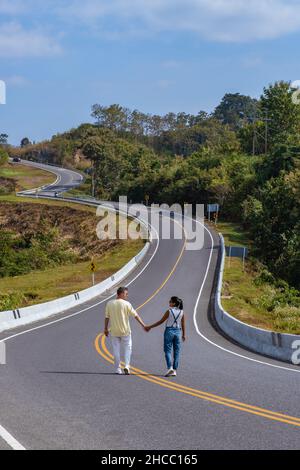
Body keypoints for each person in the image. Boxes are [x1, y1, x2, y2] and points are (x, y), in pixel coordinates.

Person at [104, 286, 146, 375]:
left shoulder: (109, 303)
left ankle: (118, 369)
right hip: (125, 331)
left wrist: (105, 329)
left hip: (114, 331)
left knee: (116, 350)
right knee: (128, 348)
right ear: (121, 293)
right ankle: (127, 366)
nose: (127, 295)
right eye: (126, 294)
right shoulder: (127, 304)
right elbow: (135, 315)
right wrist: (143, 325)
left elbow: (107, 317)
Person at [145, 296, 186, 377]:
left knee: (167, 350)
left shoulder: (169, 311)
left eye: (170, 301)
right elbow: (183, 323)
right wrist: (184, 334)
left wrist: (150, 326)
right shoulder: (182, 312)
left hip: (169, 331)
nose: (169, 303)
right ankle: (174, 370)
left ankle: (169, 367)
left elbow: (161, 321)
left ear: (174, 303)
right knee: (176, 351)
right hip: (178, 332)